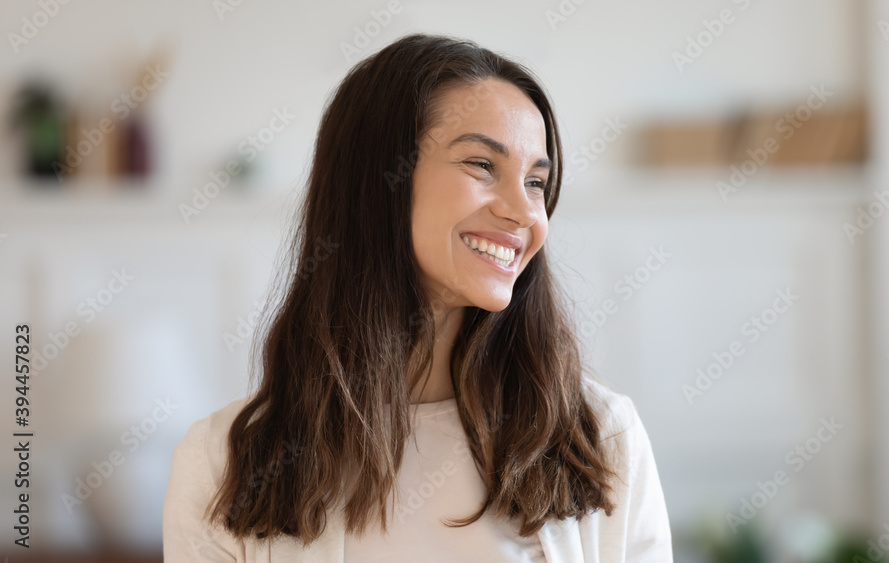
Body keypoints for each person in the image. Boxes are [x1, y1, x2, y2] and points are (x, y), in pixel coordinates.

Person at [162, 32, 672, 562]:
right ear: (378, 183)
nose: (524, 213)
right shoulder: (220, 464)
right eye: (481, 165)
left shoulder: (602, 438)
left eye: (537, 183)